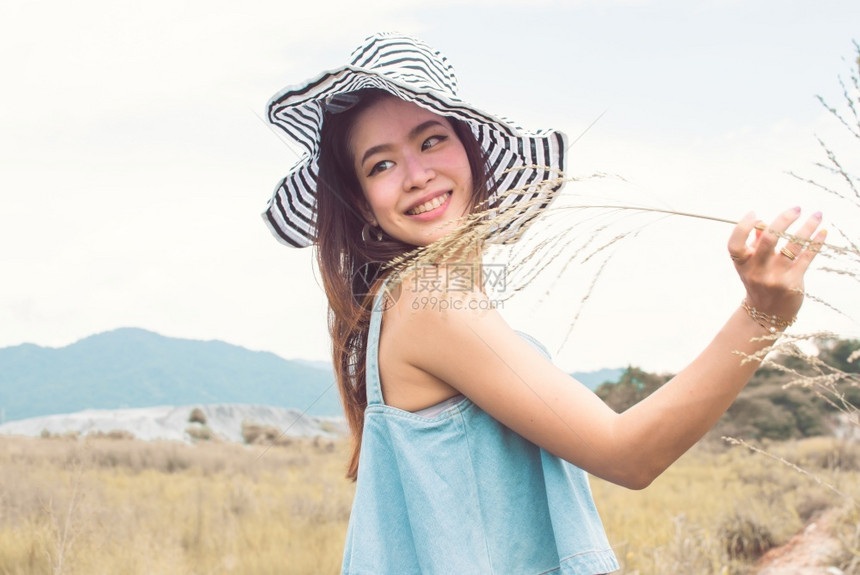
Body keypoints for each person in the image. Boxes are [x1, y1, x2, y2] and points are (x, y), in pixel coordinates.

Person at [262, 33, 824, 575]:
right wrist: (762, 317)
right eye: (380, 164)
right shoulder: (427, 302)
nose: (416, 174)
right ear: (362, 205)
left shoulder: (428, 302)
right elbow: (628, 455)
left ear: (471, 151)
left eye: (431, 140)